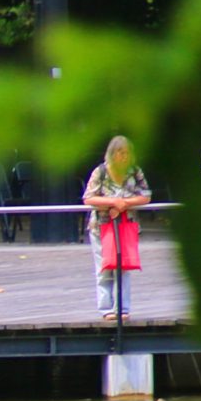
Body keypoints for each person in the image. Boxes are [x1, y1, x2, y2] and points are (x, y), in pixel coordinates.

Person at [82, 136, 149, 318]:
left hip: (126, 225)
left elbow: (145, 195)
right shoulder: (100, 172)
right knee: (104, 268)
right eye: (121, 153)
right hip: (101, 227)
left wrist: (125, 204)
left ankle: (122, 308)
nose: (124, 157)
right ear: (112, 154)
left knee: (124, 266)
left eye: (127, 153)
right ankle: (106, 309)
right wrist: (112, 202)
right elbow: (89, 198)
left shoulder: (135, 171)